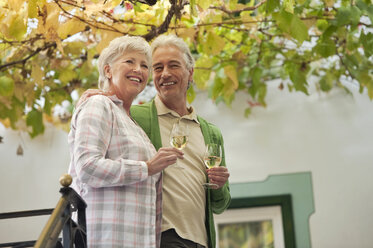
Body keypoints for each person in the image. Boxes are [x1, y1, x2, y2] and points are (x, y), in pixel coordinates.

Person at [78, 34, 231, 248]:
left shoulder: (211, 133)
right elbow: (96, 144)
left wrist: (219, 186)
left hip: (201, 240)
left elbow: (220, 205)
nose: (165, 73)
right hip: (160, 237)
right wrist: (102, 95)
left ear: (191, 73)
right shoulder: (134, 116)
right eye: (157, 68)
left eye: (174, 65)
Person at [68, 35, 183, 248]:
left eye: (144, 65)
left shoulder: (132, 123)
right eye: (129, 61)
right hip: (105, 238)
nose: (138, 69)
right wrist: (146, 168)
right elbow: (87, 167)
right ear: (108, 70)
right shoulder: (98, 105)